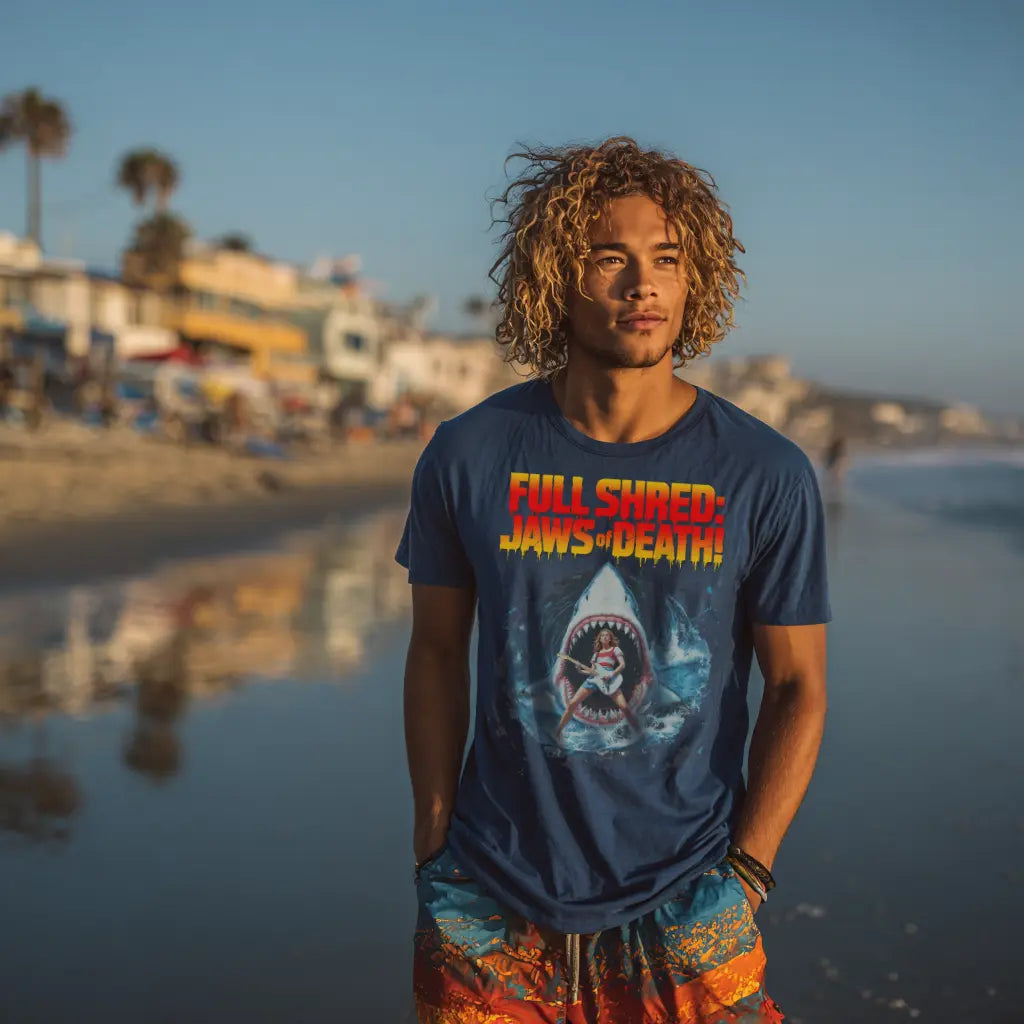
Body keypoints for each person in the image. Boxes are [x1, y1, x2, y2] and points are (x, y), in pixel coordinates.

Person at [397, 137, 830, 1023]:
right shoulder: (470, 456)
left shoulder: (764, 474)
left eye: (667, 260)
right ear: (556, 276)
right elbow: (437, 652)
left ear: (695, 277)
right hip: (490, 891)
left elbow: (798, 688)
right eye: (611, 259)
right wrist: (435, 844)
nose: (645, 285)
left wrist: (745, 873)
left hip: (689, 896)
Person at [555, 627, 637, 737]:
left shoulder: (615, 650)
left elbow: (622, 665)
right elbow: (592, 671)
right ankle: (558, 732)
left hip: (610, 680)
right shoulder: (596, 655)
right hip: (593, 680)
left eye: (607, 635)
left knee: (625, 708)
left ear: (610, 638)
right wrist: (580, 670)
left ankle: (639, 732)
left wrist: (611, 674)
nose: (604, 637)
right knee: (572, 704)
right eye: (602, 635)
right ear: (600, 639)